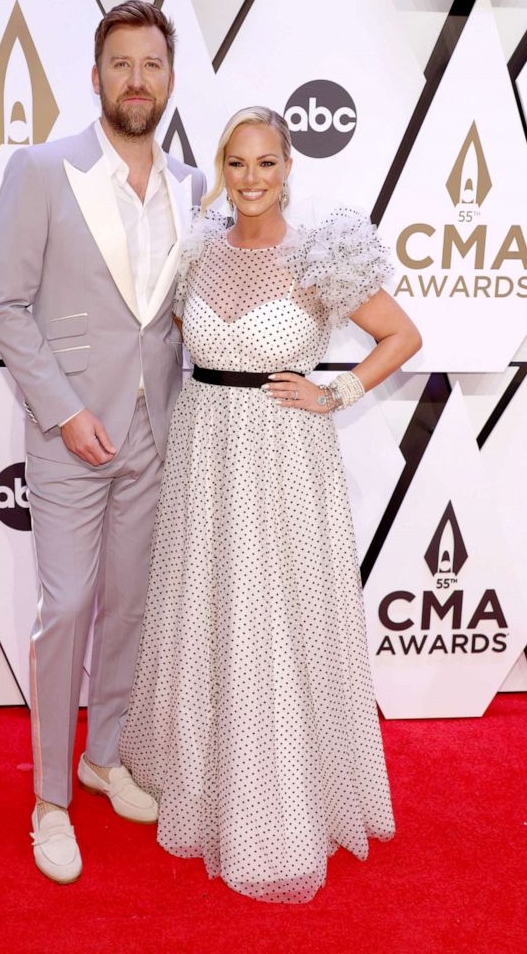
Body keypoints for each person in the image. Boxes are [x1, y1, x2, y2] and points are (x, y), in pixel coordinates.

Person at [120, 106, 422, 903]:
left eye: (265, 163)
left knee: (272, 621)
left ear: (287, 168)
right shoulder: (197, 250)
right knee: (207, 613)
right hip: (203, 456)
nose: (250, 179)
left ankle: (277, 805)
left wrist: (337, 391)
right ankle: (199, 778)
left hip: (284, 458)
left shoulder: (323, 253)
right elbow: (187, 339)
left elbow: (401, 336)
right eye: (236, 164)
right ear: (221, 169)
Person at [0, 1, 206, 884]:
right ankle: (49, 800)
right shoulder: (42, 169)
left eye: (150, 65)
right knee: (67, 607)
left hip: (157, 427)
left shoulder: (193, 186)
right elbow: (3, 305)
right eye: (121, 65)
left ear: (170, 78)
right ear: (96, 76)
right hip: (70, 434)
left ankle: (102, 753)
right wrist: (64, 412)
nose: (136, 81)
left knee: (130, 606)